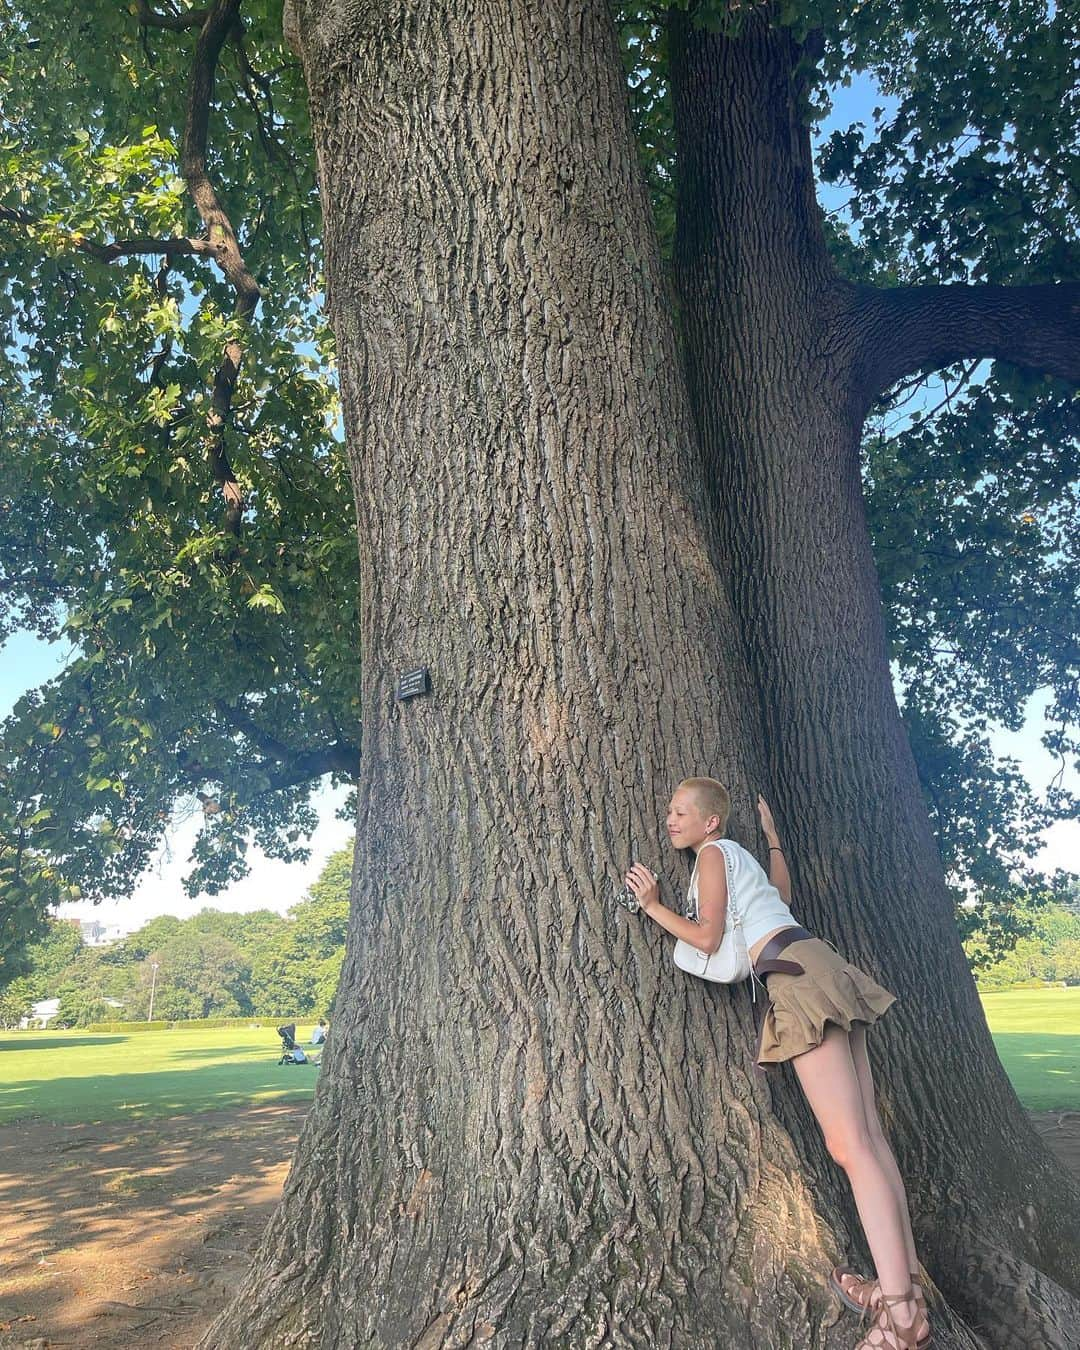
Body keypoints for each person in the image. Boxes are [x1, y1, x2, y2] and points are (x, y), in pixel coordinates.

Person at [623, 777, 930, 1350]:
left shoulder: (713, 854)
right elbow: (779, 897)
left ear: (710, 822)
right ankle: (903, 1287)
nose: (670, 820)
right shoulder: (737, 857)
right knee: (870, 1140)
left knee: (851, 1149)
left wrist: (653, 906)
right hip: (814, 961)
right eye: (669, 811)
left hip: (796, 979)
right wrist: (774, 843)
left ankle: (902, 1320)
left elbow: (710, 938)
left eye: (681, 811)